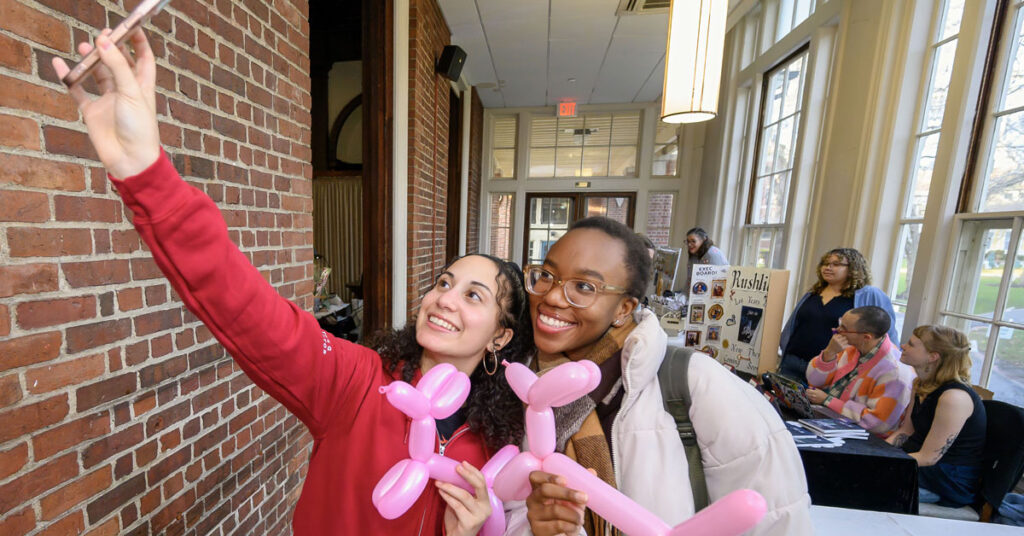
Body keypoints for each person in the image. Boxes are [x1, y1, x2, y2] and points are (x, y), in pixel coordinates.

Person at [52, 29, 534, 535]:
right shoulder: (358, 382)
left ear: (501, 336)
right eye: (443, 282)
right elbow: (245, 308)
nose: (443, 299)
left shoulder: (494, 444)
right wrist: (145, 174)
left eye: (473, 295)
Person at [505, 217, 812, 536]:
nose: (552, 297)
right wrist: (536, 525)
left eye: (584, 287)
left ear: (624, 308)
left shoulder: (693, 383)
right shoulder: (528, 386)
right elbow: (509, 510)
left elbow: (778, 519)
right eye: (548, 276)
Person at [887, 326, 986, 507]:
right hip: (918, 465)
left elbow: (929, 457)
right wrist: (873, 454)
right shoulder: (920, 384)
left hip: (946, 479)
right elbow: (906, 432)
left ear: (933, 356)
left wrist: (881, 464)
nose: (903, 346)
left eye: (911, 344)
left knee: (863, 484)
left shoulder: (954, 397)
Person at [779, 248, 899, 384]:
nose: (828, 267)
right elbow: (794, 325)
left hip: (831, 369)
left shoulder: (868, 295)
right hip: (793, 362)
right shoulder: (813, 293)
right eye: (825, 263)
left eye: (836, 264)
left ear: (853, 269)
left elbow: (886, 333)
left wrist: (893, 365)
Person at [804, 306, 914, 435]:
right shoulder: (853, 347)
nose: (836, 331)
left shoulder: (895, 373)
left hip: (869, 439)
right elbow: (814, 380)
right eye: (840, 324)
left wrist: (827, 401)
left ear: (866, 337)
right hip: (833, 423)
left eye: (844, 329)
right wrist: (829, 353)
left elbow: (876, 423)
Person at [680, 227, 729, 293]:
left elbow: (719, 281)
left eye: (693, 241)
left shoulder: (713, 254)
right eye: (688, 241)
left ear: (703, 240)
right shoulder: (694, 255)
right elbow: (689, 280)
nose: (689, 244)